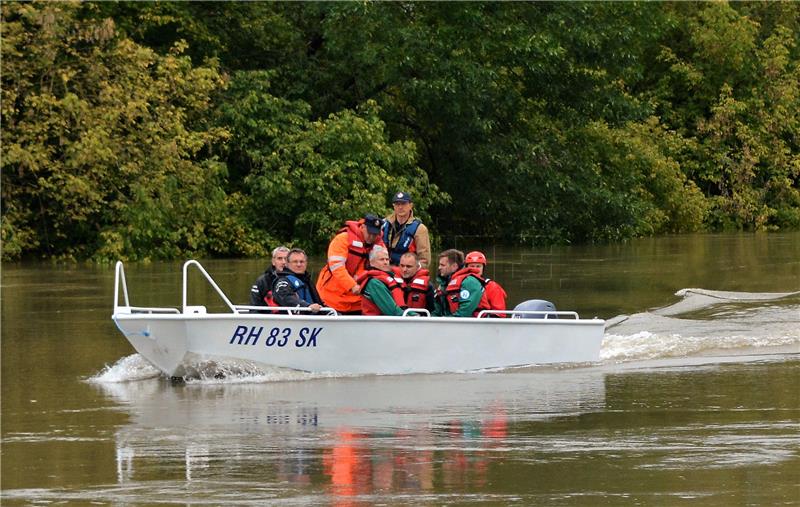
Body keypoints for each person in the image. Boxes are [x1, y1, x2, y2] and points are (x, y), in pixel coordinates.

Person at [316, 214, 385, 314]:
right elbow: (337, 267)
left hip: (358, 300)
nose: (372, 237)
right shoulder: (342, 239)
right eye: (369, 233)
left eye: (375, 234)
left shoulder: (379, 244)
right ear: (363, 227)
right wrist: (352, 286)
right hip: (332, 297)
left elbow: (383, 266)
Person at [433, 248, 499, 317]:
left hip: (474, 324)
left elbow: (465, 312)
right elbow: (437, 311)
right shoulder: (444, 284)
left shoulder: (470, 282)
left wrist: (445, 321)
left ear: (454, 266)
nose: (439, 268)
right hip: (453, 322)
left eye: (442, 265)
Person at [356, 245, 411, 316]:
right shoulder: (373, 283)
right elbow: (391, 311)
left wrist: (415, 314)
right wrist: (411, 316)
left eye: (387, 259)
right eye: (381, 259)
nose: (385, 262)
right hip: (376, 323)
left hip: (390, 321)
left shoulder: (390, 278)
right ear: (372, 262)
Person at [382, 191, 431, 268]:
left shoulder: (420, 229)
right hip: (385, 269)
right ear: (393, 206)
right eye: (397, 204)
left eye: (403, 204)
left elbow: (425, 260)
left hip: (406, 272)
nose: (400, 207)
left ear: (410, 205)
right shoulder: (384, 224)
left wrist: (409, 269)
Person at [272, 248, 324, 313]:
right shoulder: (283, 281)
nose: (299, 264)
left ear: (306, 263)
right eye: (295, 262)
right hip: (292, 320)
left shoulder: (307, 281)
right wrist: (307, 306)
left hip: (311, 319)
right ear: (287, 264)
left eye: (301, 262)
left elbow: (319, 302)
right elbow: (286, 298)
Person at [464, 251, 507, 317]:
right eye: (472, 266)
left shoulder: (492, 287)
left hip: (484, 322)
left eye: (478, 266)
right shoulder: (461, 285)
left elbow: (500, 314)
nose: (475, 269)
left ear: (483, 268)